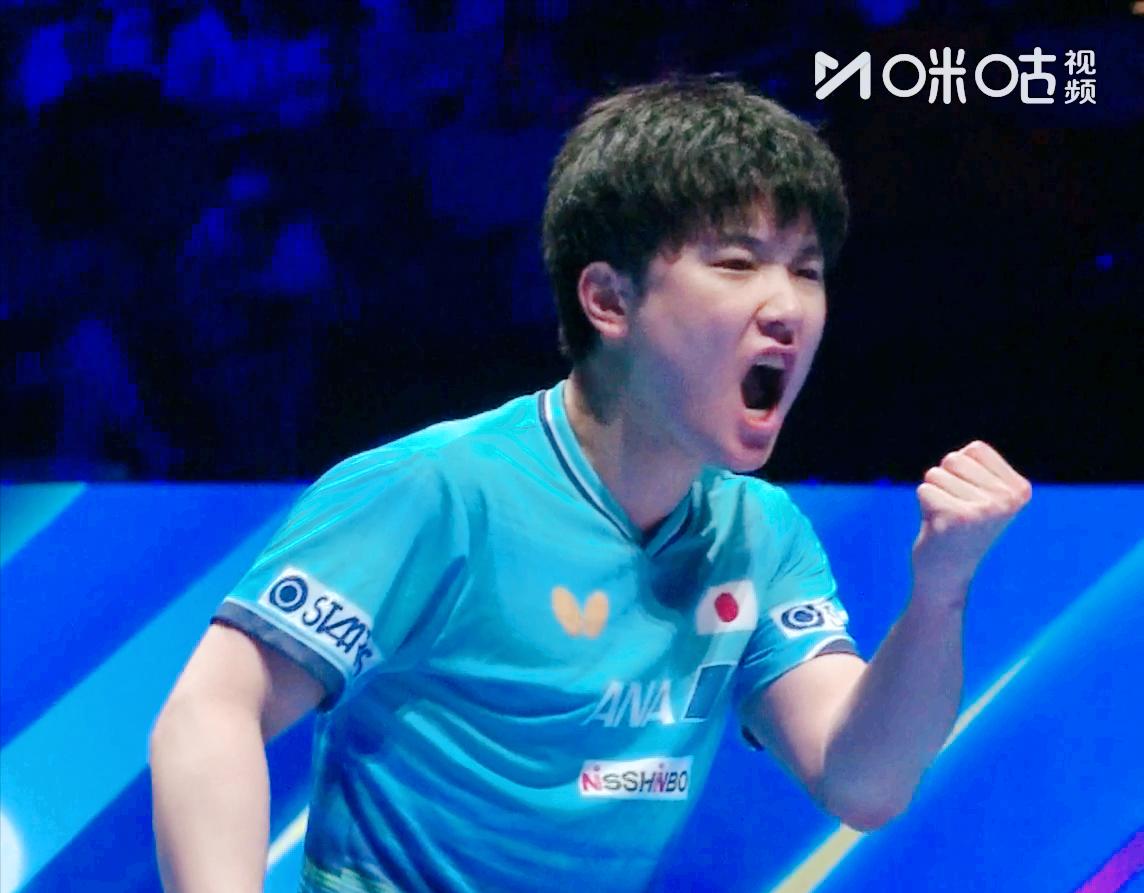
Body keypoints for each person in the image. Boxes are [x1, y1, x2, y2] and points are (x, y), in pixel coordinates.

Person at [149, 76, 1032, 893]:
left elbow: (862, 779)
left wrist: (941, 592)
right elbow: (212, 709)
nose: (787, 306)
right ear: (608, 299)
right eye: (737, 263)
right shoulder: (437, 491)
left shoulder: (758, 534)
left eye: (806, 269)